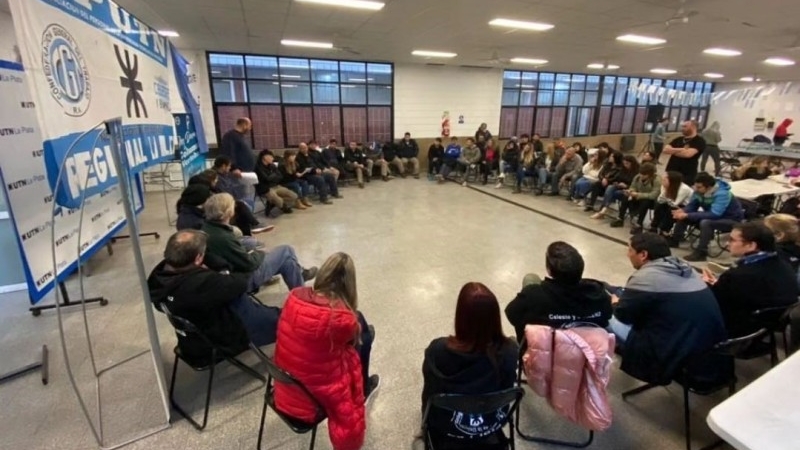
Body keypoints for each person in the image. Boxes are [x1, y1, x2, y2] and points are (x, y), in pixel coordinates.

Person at [274, 253, 378, 450]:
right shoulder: (342, 318)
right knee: (363, 336)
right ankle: (364, 388)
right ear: (350, 285)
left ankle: (366, 335)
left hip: (284, 385)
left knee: (361, 330)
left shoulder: (294, 297)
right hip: (310, 399)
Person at [609, 233, 729, 386]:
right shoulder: (686, 268)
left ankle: (626, 352)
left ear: (643, 254)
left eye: (630, 249)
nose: (627, 254)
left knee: (604, 315)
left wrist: (614, 304)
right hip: (708, 351)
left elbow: (624, 316)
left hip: (672, 353)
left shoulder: (644, 277)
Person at [148, 230, 282, 363]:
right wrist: (212, 269)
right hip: (221, 341)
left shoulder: (157, 278)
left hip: (192, 342)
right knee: (292, 324)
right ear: (198, 258)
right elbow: (241, 283)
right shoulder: (202, 283)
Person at [422, 282, 517, 449]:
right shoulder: (509, 351)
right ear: (495, 317)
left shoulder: (438, 351)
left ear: (460, 316)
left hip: (446, 427)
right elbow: (507, 387)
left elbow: (429, 391)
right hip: (490, 424)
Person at [201, 193, 317, 291]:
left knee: (288, 262)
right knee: (286, 250)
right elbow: (249, 263)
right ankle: (301, 285)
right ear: (228, 212)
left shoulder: (208, 228)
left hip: (228, 274)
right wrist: (259, 253)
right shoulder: (223, 237)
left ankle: (300, 285)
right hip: (243, 279)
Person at [701, 222, 799, 337]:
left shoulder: (739, 275)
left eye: (732, 240)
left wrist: (707, 285)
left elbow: (715, 302)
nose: (728, 244)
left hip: (737, 329)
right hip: (767, 327)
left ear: (751, 245)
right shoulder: (784, 264)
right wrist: (719, 284)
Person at [505, 242, 612, 342]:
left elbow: (512, 314)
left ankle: (524, 346)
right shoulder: (599, 295)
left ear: (549, 270)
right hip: (584, 352)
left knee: (530, 279)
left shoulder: (534, 295)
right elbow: (605, 319)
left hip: (544, 353)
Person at [669, 172, 745, 262]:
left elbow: (715, 214)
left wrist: (687, 214)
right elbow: (692, 206)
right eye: (695, 186)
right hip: (712, 215)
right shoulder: (699, 191)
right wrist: (683, 211)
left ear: (708, 187)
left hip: (731, 220)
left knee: (706, 223)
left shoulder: (722, 194)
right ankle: (675, 239)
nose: (695, 189)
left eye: (699, 187)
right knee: (683, 216)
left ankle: (702, 252)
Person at [611, 162, 660, 231]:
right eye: (641, 173)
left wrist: (638, 194)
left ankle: (639, 224)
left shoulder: (657, 180)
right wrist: (630, 191)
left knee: (645, 202)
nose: (641, 176)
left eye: (644, 175)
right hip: (636, 196)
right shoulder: (638, 177)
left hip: (650, 200)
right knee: (625, 197)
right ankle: (620, 218)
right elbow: (633, 186)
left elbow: (654, 195)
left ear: (650, 174)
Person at [590, 155, 638, 220]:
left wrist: (626, 186)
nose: (625, 165)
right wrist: (617, 183)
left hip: (628, 189)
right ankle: (603, 210)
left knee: (612, 193)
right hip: (619, 186)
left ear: (632, 163)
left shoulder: (636, 173)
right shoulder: (622, 169)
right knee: (610, 188)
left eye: (627, 164)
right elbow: (617, 178)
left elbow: (636, 186)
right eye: (624, 163)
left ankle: (602, 211)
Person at [647, 171, 693, 236]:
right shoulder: (664, 185)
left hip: (685, 206)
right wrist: (665, 190)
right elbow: (660, 200)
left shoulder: (684, 189)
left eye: (664, 180)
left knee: (671, 209)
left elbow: (675, 203)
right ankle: (654, 226)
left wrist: (666, 197)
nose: (662, 181)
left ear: (672, 181)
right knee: (659, 205)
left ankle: (664, 230)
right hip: (670, 203)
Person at [663, 120, 706, 185]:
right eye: (682, 126)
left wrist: (672, 151)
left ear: (693, 127)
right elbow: (665, 150)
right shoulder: (678, 139)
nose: (682, 128)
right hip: (671, 171)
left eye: (685, 126)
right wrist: (682, 149)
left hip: (687, 174)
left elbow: (688, 154)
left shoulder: (699, 141)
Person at [255, 150, 297, 215]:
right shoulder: (258, 167)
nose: (273, 158)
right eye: (271, 157)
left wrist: (272, 176)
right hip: (266, 188)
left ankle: (272, 203)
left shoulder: (272, 166)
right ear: (265, 157)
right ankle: (281, 205)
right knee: (279, 201)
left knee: (294, 196)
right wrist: (274, 175)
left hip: (276, 186)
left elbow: (280, 176)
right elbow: (266, 179)